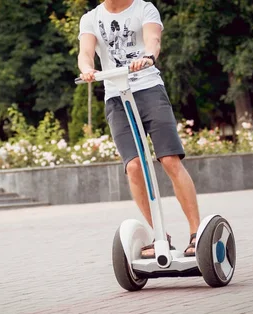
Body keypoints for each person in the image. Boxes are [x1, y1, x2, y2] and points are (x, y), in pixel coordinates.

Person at [77, 0, 201, 258]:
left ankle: (196, 232)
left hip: (149, 89)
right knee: (133, 166)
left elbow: (153, 39)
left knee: (169, 160)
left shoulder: (144, 9)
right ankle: (159, 236)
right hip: (116, 97)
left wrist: (148, 57)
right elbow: (85, 52)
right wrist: (87, 69)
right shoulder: (90, 18)